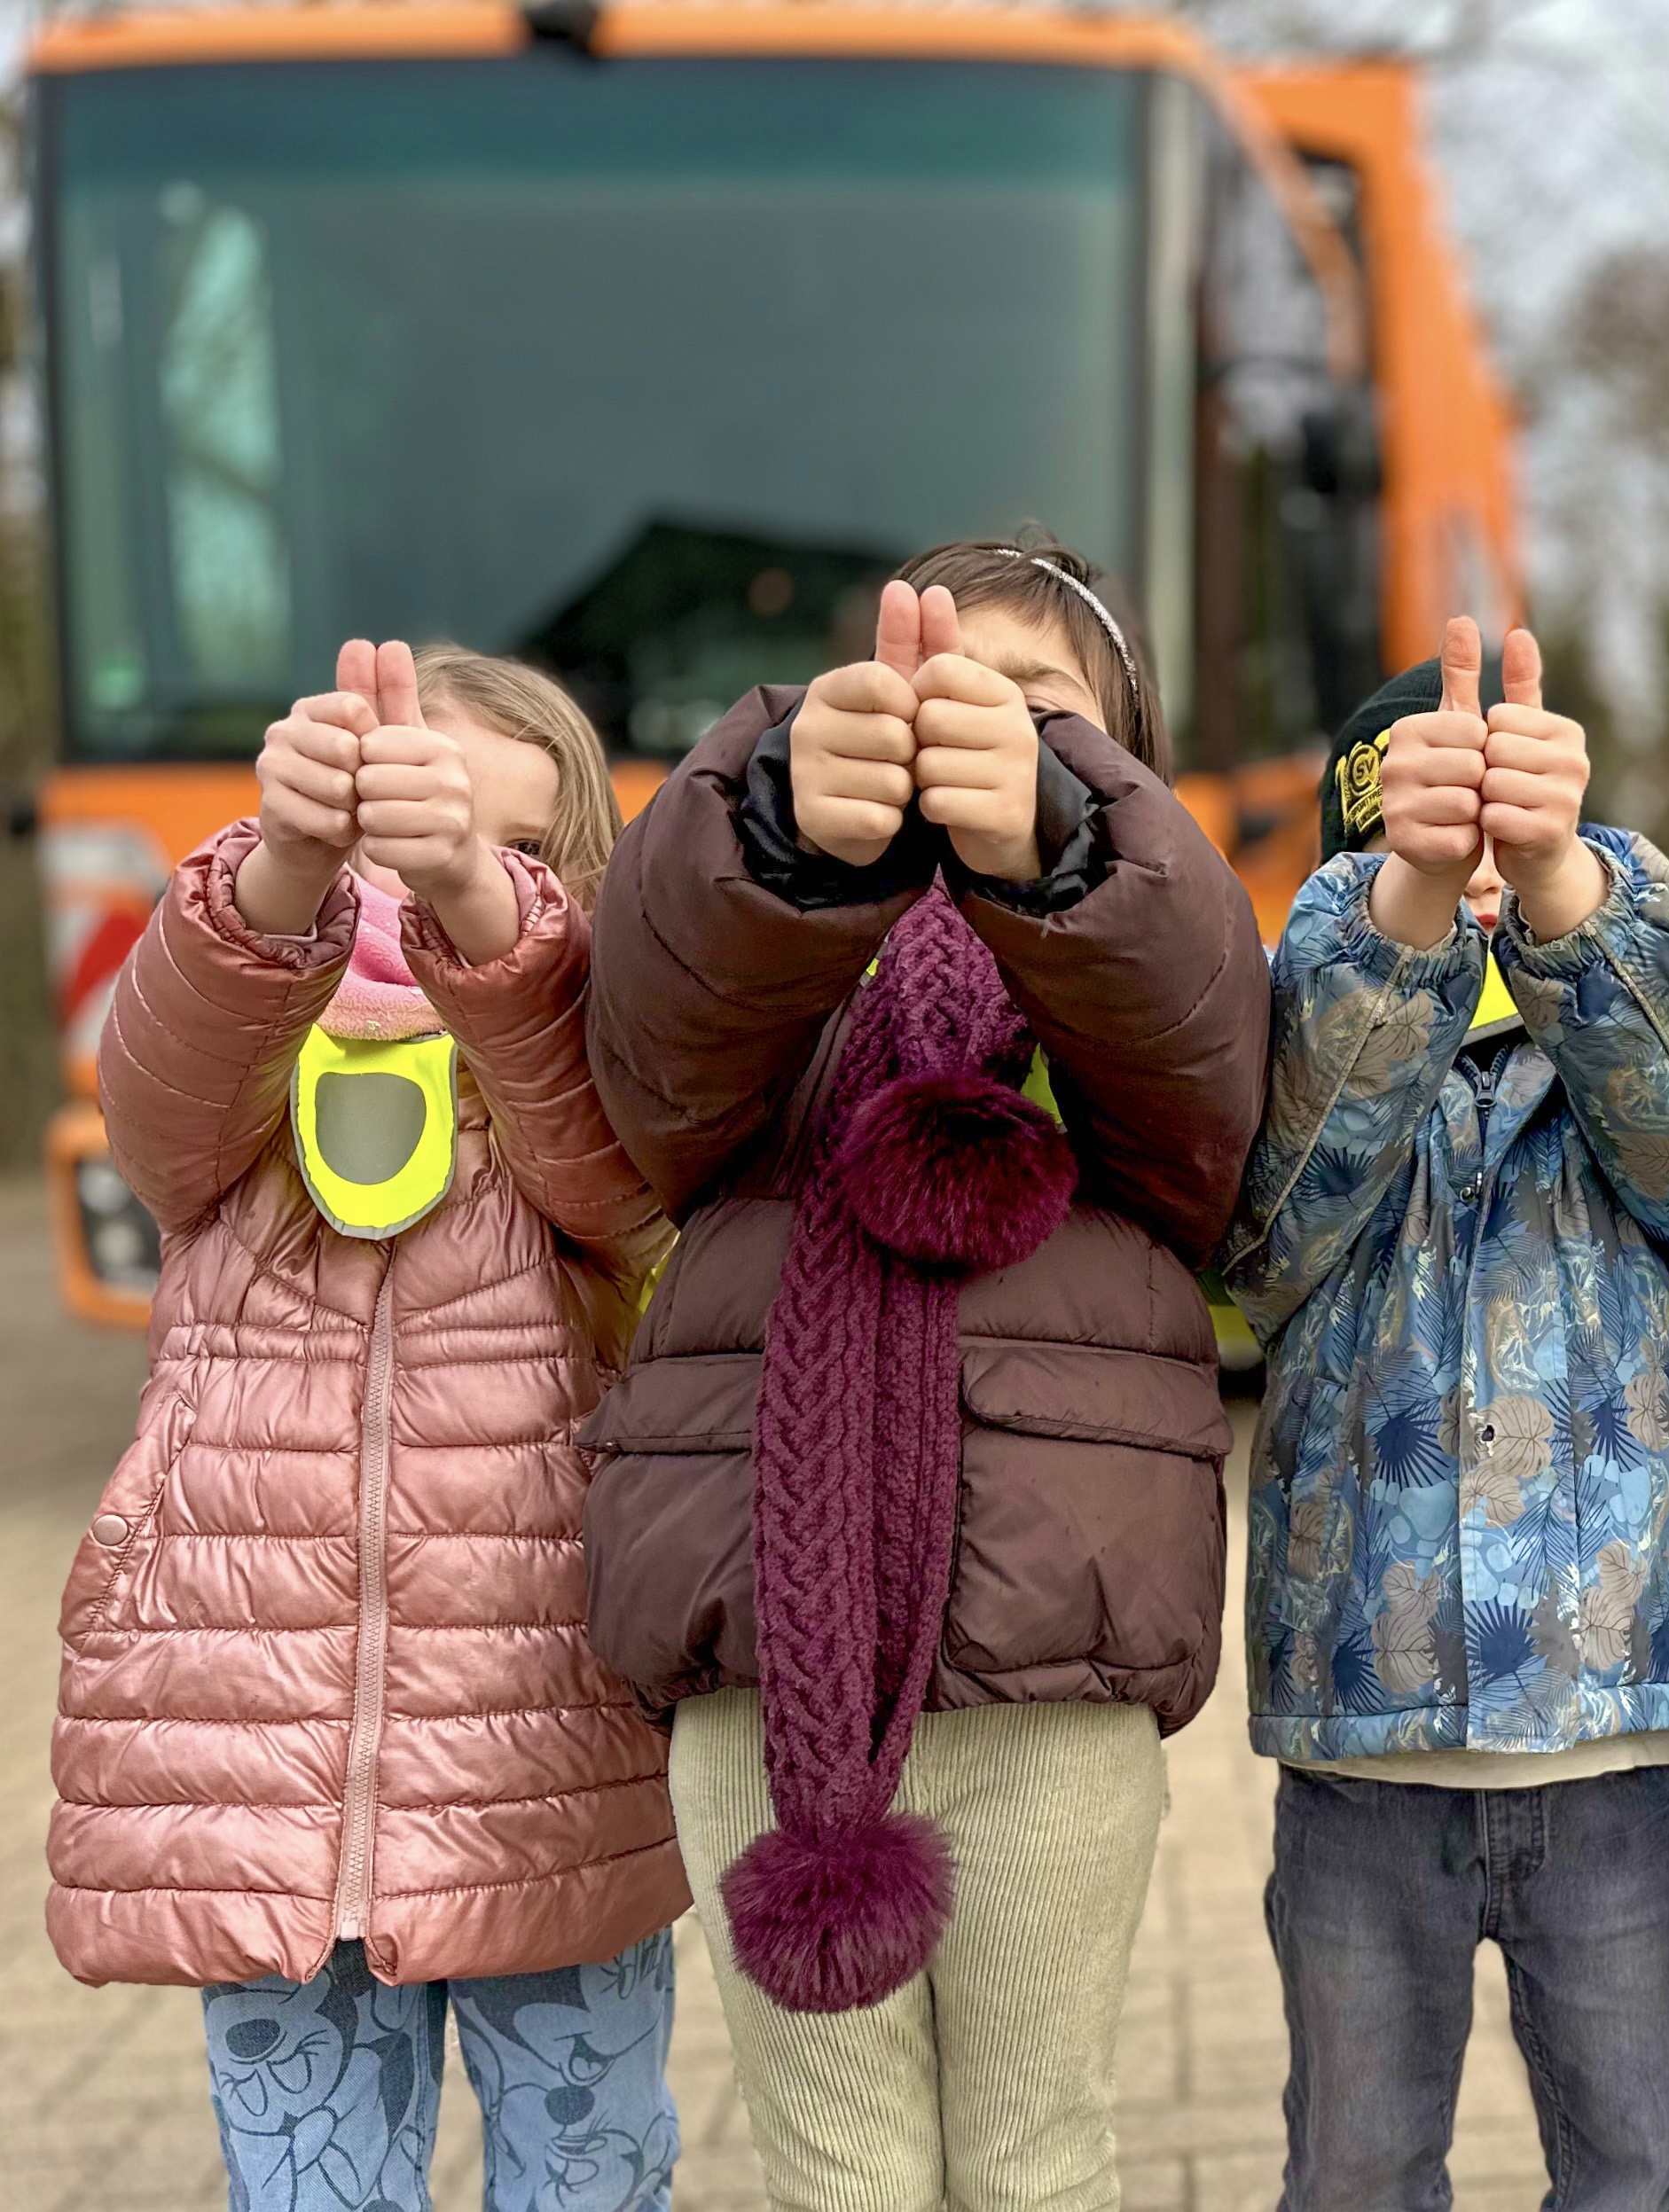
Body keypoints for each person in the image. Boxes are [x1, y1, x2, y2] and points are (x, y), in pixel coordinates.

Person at [579, 535, 1268, 2212]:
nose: (971, 735)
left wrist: (1062, 848)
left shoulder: (1143, 949)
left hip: (1048, 1672)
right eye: (926, 690)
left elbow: (1202, 1084)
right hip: (767, 1669)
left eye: (1039, 714)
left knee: (1035, 2161)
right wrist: (773, 830)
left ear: (1124, 772)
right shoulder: (783, 947)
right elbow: (651, 1055)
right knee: (839, 2177)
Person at [52, 640, 685, 2212]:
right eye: (403, 833)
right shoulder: (249, 1095)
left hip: (544, 1763)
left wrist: (487, 916)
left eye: (508, 850)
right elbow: (153, 1103)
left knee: (590, 2185)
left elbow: (620, 1176)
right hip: (266, 1784)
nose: (435, 871)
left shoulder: (566, 1089)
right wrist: (283, 873)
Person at [1218, 616, 1669, 2212]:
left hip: (1609, 1735)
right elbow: (1268, 1233)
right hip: (1361, 1744)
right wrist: (1408, 914)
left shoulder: (1627, 988)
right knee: (1359, 2169)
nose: (1480, 875)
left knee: (1643, 2165)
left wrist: (1566, 895)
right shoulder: (1309, 1018)